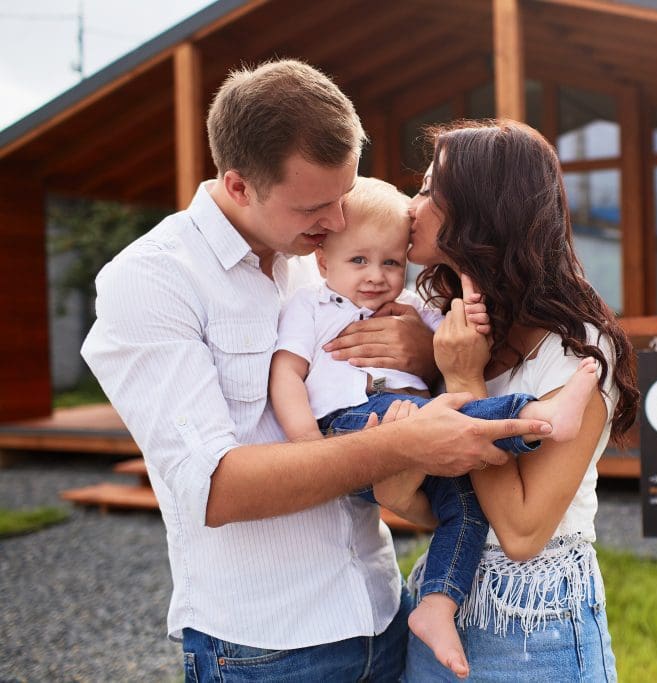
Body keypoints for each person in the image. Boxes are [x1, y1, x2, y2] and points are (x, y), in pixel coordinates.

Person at [80, 60, 549, 682]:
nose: (336, 220)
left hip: (381, 615)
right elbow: (216, 489)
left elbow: (399, 371)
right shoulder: (151, 281)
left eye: (343, 196)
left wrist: (414, 352)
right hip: (267, 647)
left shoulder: (315, 255)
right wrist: (399, 443)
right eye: (315, 206)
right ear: (240, 185)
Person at [269, 176, 600, 677]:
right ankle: (537, 418)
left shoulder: (426, 311)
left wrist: (443, 356)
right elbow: (287, 376)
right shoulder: (312, 307)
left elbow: (517, 531)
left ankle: (438, 607)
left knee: (464, 510)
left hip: (529, 605)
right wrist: (311, 448)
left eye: (391, 262)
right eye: (358, 260)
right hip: (351, 425)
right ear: (324, 262)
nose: (376, 275)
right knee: (445, 423)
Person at [401, 120, 640, 682]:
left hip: (536, 633)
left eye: (429, 190)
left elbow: (524, 532)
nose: (411, 205)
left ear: (480, 210)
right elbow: (418, 501)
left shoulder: (578, 348)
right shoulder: (437, 314)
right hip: (438, 607)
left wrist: (463, 381)